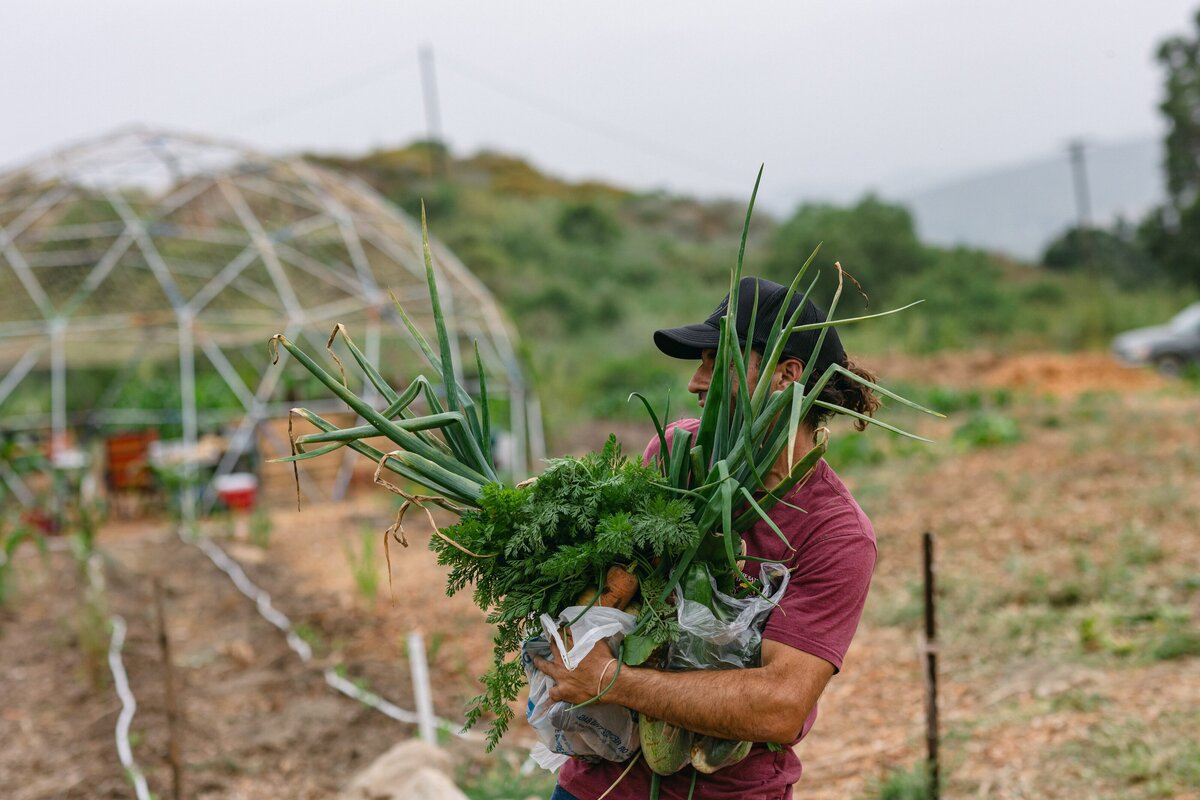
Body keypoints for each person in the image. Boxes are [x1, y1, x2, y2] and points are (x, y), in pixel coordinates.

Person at [533, 276, 881, 800]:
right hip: (600, 784)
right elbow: (613, 583)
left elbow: (780, 705)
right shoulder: (675, 455)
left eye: (715, 366)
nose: (696, 383)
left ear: (786, 377)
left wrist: (610, 680)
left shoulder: (835, 532)